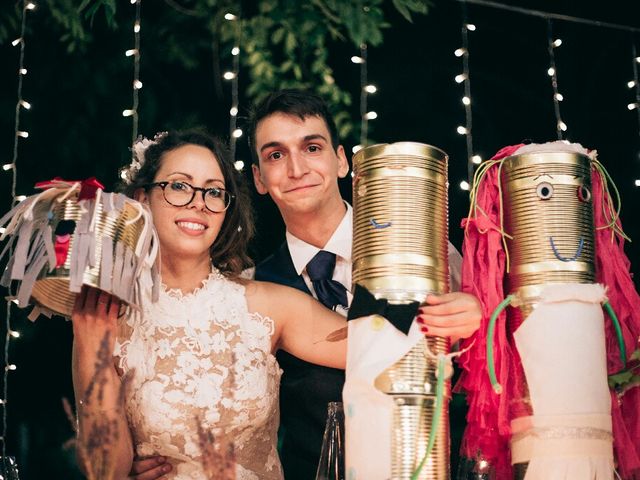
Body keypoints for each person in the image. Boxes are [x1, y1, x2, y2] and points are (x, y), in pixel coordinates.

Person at [72, 130, 353, 480]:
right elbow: (106, 472)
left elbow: (382, 348)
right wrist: (89, 348)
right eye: (178, 186)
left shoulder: (269, 305)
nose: (198, 202)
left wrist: (439, 310)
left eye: (214, 191)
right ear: (143, 198)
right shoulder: (108, 321)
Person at [246, 89, 482, 479]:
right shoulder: (255, 286)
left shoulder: (424, 244)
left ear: (342, 162)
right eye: (275, 155)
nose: (296, 168)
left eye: (312, 147)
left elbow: (492, 368)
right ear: (258, 178)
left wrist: (478, 322)